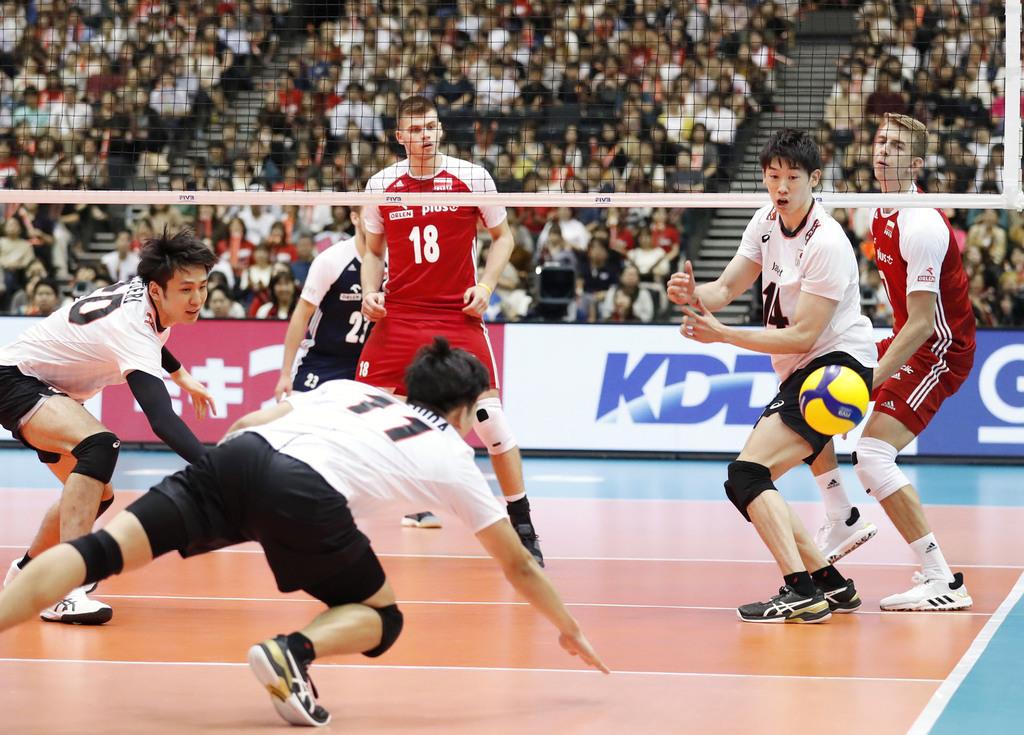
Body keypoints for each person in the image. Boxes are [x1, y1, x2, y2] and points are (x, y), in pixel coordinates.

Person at [0, 339, 608, 727]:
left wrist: (225, 492)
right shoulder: (451, 455)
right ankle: (292, 653)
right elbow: (519, 565)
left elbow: (248, 421)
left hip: (239, 459)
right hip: (304, 495)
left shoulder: (350, 390)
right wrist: (570, 628)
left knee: (94, 554)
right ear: (467, 408)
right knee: (381, 616)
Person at [667, 129, 876, 623]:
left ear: (814, 180)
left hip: (836, 372)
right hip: (804, 373)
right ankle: (829, 582)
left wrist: (722, 337)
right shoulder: (764, 222)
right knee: (749, 482)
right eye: (773, 176)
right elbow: (725, 288)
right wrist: (693, 295)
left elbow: (804, 335)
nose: (781, 187)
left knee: (747, 475)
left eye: (792, 178)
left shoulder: (826, 241)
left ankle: (799, 590)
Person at [0, 229, 217, 624]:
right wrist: (219, 465)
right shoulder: (133, 325)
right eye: (186, 289)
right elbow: (161, 419)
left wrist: (183, 375)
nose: (197, 299)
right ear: (156, 290)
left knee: (95, 495)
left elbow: (155, 342)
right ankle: (65, 588)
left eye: (203, 286)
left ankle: (29, 571)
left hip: (51, 389)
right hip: (17, 379)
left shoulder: (146, 296)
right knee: (99, 446)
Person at [360, 95, 543, 563]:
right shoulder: (382, 184)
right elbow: (373, 251)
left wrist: (486, 285)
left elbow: (505, 239)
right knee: (359, 423)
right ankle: (336, 522)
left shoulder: (472, 177)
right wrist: (370, 292)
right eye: (416, 129)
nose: (425, 135)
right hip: (399, 314)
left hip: (455, 314)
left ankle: (522, 523)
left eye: (431, 127)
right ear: (399, 137)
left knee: (492, 422)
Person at [809, 113, 975, 611]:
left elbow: (923, 323)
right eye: (882, 140)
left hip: (941, 349)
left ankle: (942, 579)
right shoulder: (878, 209)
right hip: (907, 339)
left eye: (898, 145)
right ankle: (841, 516)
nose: (884, 149)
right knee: (809, 383)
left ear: (917, 162)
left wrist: (868, 380)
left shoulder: (921, 222)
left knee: (873, 455)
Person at [273, 208, 371, 401]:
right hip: (323, 360)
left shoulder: (394, 260)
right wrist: (285, 373)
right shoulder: (331, 260)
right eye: (370, 216)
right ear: (355, 218)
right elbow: (301, 315)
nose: (376, 220)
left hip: (367, 365)